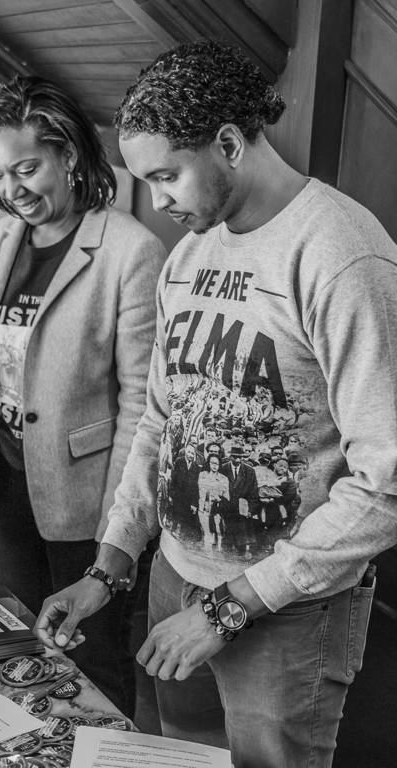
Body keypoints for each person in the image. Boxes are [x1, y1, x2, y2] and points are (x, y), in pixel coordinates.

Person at [34, 40, 397, 767]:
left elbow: (386, 482)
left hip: (287, 609)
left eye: (167, 176)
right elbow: (162, 423)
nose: (159, 201)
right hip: (177, 581)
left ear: (228, 143)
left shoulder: (340, 254)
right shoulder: (190, 256)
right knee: (187, 760)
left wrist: (229, 609)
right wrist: (110, 564)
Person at [0, 75, 167, 716]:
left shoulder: (130, 250)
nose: (13, 190)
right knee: (24, 641)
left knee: (90, 657)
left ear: (68, 154)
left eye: (27, 168)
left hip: (86, 495)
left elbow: (140, 406)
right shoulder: (1, 239)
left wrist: (116, 529)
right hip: (8, 483)